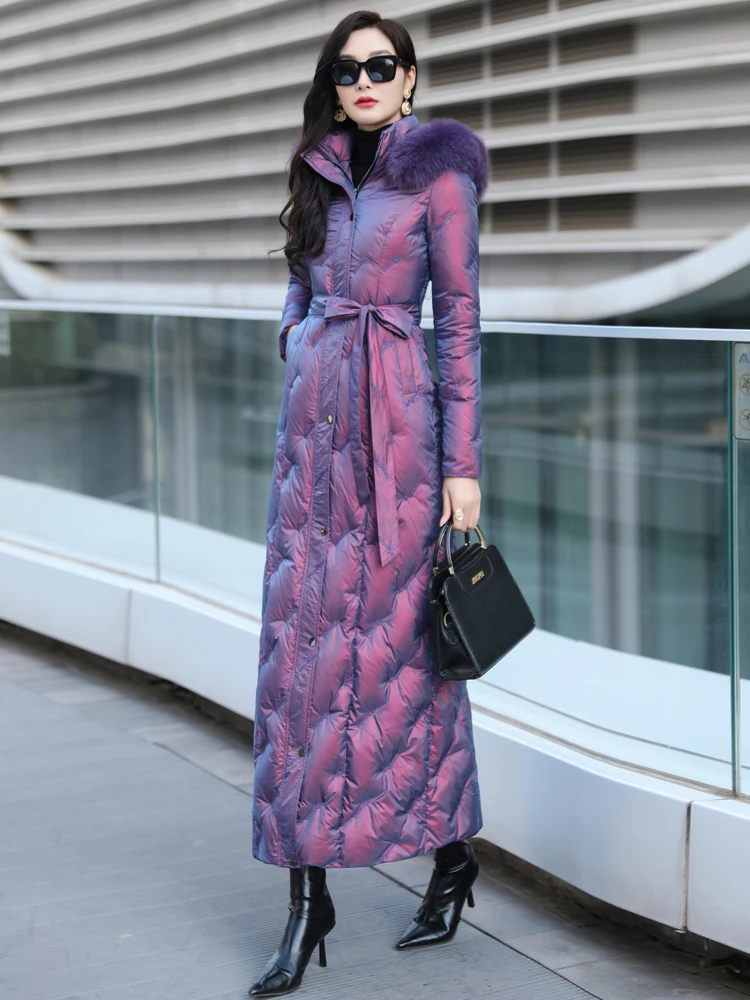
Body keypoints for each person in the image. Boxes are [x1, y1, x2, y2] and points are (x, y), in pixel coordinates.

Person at [249, 9, 488, 996]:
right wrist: (298, 342)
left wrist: (463, 466)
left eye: (380, 65)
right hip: (311, 459)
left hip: (400, 452)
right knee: (299, 675)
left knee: (412, 667)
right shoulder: (318, 169)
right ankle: (307, 899)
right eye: (347, 68)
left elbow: (462, 322)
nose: (363, 79)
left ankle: (450, 856)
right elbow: (300, 288)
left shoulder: (438, 173)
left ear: (410, 76)